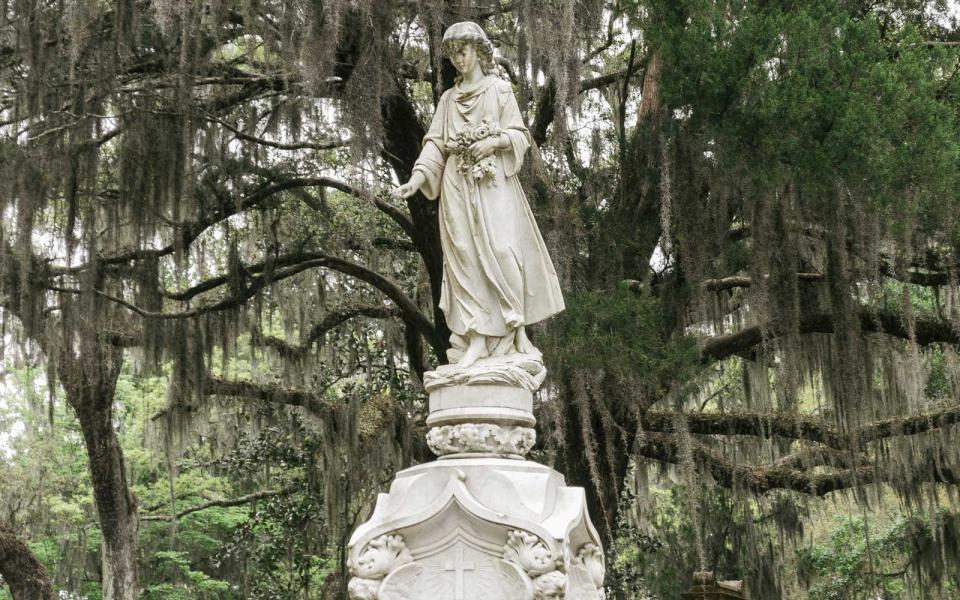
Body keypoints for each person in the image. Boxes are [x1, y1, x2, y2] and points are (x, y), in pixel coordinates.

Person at [393, 21, 564, 367]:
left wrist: (493, 142)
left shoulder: (499, 91)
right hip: (456, 186)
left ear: (479, 51)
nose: (458, 59)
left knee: (504, 250)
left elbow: (519, 136)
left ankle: (515, 331)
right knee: (464, 260)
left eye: (463, 51)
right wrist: (418, 177)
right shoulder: (447, 99)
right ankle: (476, 336)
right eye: (453, 53)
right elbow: (435, 145)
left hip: (493, 183)